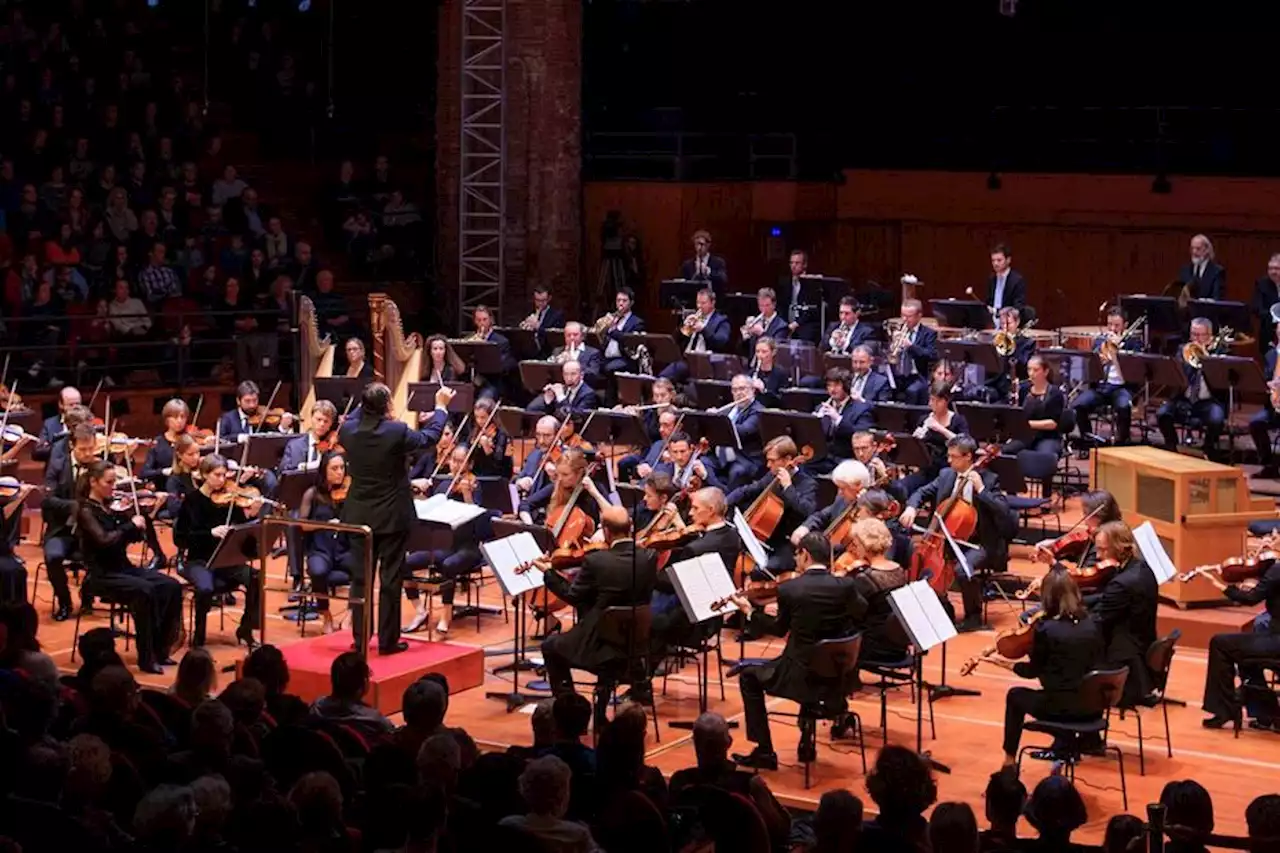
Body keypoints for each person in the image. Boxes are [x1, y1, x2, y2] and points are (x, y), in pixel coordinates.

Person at [727, 532, 864, 770]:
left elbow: (779, 629)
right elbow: (861, 612)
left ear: (806, 556)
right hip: (839, 672)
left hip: (800, 676)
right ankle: (807, 737)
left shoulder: (791, 589)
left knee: (748, 676)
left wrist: (750, 611)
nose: (795, 559)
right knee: (814, 657)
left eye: (797, 554)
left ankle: (765, 751)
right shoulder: (846, 586)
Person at [339, 382, 452, 654]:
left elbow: (356, 416)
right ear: (387, 406)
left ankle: (360, 639)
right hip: (391, 515)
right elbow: (430, 438)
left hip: (358, 515)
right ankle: (388, 642)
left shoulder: (348, 431)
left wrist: (370, 401)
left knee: (360, 580)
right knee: (390, 578)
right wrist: (441, 407)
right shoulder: (396, 431)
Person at [541, 505, 658, 727]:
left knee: (550, 647)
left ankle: (569, 712)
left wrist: (548, 573)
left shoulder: (597, 561)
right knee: (608, 643)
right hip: (636, 644)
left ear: (605, 531)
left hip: (599, 644)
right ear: (630, 527)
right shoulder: (649, 557)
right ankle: (601, 711)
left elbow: (572, 596)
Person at [979, 570, 1105, 766]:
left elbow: (1031, 671)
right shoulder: (1092, 623)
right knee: (1067, 689)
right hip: (1093, 708)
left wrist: (1002, 662)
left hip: (1064, 710)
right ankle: (1072, 744)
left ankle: (1009, 762)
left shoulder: (1045, 629)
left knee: (1015, 696)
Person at [76, 459, 183, 675]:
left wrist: (144, 519)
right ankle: (146, 656)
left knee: (171, 586)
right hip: (102, 574)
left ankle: (161, 649)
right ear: (93, 482)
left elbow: (128, 538)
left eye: (115, 481)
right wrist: (128, 525)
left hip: (123, 568)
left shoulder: (112, 507)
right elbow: (104, 540)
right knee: (145, 591)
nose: (114, 486)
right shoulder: (86, 511)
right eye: (109, 482)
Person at [900, 436, 1016, 631]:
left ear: (968, 457)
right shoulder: (946, 475)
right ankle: (942, 608)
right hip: (947, 537)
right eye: (949, 456)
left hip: (980, 542)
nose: (949, 460)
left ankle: (974, 616)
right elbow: (921, 492)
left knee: (963, 569)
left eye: (953, 457)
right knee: (919, 557)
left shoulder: (989, 479)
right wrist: (911, 507)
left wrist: (981, 490)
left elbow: (1003, 512)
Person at [175, 454, 266, 648]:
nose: (222, 480)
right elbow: (180, 538)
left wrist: (251, 519)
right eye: (217, 475)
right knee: (205, 588)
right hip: (198, 560)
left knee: (256, 577)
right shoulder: (192, 501)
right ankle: (198, 637)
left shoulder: (230, 501)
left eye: (225, 475)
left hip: (224, 560)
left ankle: (246, 629)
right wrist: (210, 533)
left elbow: (242, 531)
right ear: (205, 475)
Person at [1199, 549, 1280, 729]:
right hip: (1273, 638)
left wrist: (1219, 585)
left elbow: (1251, 598)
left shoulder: (1277, 570)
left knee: (1220, 643)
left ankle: (1224, 710)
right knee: (1245, 652)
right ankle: (1266, 712)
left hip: (1276, 642)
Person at [1089, 520, 1159, 707]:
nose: (1098, 555)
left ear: (1119, 548)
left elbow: (1098, 620)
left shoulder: (1122, 583)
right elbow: (1107, 599)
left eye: (1103, 550)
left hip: (1122, 659)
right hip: (1140, 644)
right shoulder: (1142, 568)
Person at [726, 436, 817, 578]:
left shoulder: (807, 483)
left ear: (787, 459)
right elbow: (748, 490)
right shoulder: (771, 476)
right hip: (764, 538)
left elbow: (806, 511)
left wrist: (788, 487)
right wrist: (724, 503)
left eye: (772, 461)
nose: (768, 465)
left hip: (787, 544)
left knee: (759, 572)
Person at [42, 424, 108, 620]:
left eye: (91, 449)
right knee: (53, 557)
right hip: (61, 530)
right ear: (72, 446)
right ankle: (64, 602)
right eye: (83, 449)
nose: (88, 454)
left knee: (107, 551)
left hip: (91, 532)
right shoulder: (57, 466)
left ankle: (88, 594)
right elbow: (48, 500)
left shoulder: (100, 468)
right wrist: (74, 506)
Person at [300, 452, 355, 634]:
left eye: (342, 468)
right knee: (318, 571)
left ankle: (350, 615)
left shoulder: (349, 493)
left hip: (343, 548)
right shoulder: (312, 494)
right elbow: (302, 525)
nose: (340, 472)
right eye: (334, 468)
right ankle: (326, 615)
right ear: (324, 471)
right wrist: (324, 524)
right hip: (320, 549)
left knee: (363, 568)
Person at [1158, 317, 1227, 460]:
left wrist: (1207, 360)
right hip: (1184, 399)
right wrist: (1189, 361)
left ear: (1210, 336)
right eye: (1193, 334)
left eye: (1200, 335)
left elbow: (1222, 382)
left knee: (1217, 418)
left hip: (1208, 401)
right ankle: (1172, 448)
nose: (1196, 339)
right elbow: (1177, 377)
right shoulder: (1183, 350)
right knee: (1162, 414)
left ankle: (1208, 449)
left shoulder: (1220, 351)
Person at [1073, 306, 1141, 447]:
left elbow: (1135, 372)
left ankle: (1122, 441)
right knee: (1078, 404)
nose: (1112, 328)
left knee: (1123, 406)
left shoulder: (1133, 343)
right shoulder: (1100, 341)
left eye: (1116, 325)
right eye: (1109, 324)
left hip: (1122, 387)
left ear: (1125, 326)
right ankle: (1088, 441)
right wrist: (1100, 359)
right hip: (1101, 387)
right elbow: (1090, 368)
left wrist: (1117, 353)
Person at [711, 373, 765, 490]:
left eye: (742, 389)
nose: (739, 393)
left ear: (752, 389)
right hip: (724, 455)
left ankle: (727, 502)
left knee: (737, 472)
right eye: (735, 390)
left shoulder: (758, 411)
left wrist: (718, 422)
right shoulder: (729, 409)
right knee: (702, 463)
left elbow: (743, 431)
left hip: (746, 458)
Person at [1007, 354, 1065, 456]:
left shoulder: (1055, 393)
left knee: (1044, 456)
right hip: (1027, 435)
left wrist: (1027, 424)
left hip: (1048, 437)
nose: (1031, 374)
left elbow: (1053, 423)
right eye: (1029, 369)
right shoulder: (1024, 389)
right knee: (1007, 451)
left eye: (1036, 370)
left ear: (1046, 372)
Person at [888, 298, 937, 405]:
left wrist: (911, 346)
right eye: (902, 315)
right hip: (898, 375)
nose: (904, 319)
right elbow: (889, 355)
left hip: (917, 376)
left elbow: (931, 355)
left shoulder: (928, 333)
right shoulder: (897, 330)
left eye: (909, 316)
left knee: (912, 391)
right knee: (882, 386)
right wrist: (892, 346)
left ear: (919, 316)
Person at [1178, 233, 1226, 301]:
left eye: (1198, 249)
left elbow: (1217, 299)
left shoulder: (1217, 272)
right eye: (1192, 248)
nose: (1194, 252)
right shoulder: (1185, 270)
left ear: (1207, 250)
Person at [987, 243, 1027, 311]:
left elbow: (1018, 306)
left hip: (1008, 319)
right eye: (993, 260)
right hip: (991, 318)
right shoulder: (992, 279)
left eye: (999, 260)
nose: (995, 264)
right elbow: (989, 301)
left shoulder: (1017, 280)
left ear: (1008, 260)